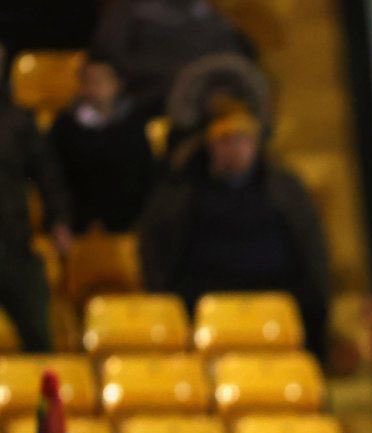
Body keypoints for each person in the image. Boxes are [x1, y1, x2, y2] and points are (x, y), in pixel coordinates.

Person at [138, 101, 331, 364]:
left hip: (277, 303)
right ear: (210, 145)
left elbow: (312, 256)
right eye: (225, 140)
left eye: (243, 139)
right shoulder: (180, 193)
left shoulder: (284, 189)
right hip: (201, 307)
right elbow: (158, 258)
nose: (235, 149)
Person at [0, 45, 70, 352]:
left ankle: (44, 402)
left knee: (39, 339)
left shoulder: (17, 120)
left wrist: (59, 219)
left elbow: (47, 174)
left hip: (12, 244)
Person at [48, 54, 154, 234]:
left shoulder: (133, 123)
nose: (93, 88)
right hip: (77, 226)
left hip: (125, 225)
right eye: (88, 81)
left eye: (100, 81)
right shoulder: (65, 125)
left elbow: (144, 176)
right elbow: (55, 178)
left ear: (117, 83)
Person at [90, 0, 250, 114]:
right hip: (147, 98)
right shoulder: (129, 8)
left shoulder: (208, 13)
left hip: (206, 100)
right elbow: (108, 52)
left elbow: (232, 54)